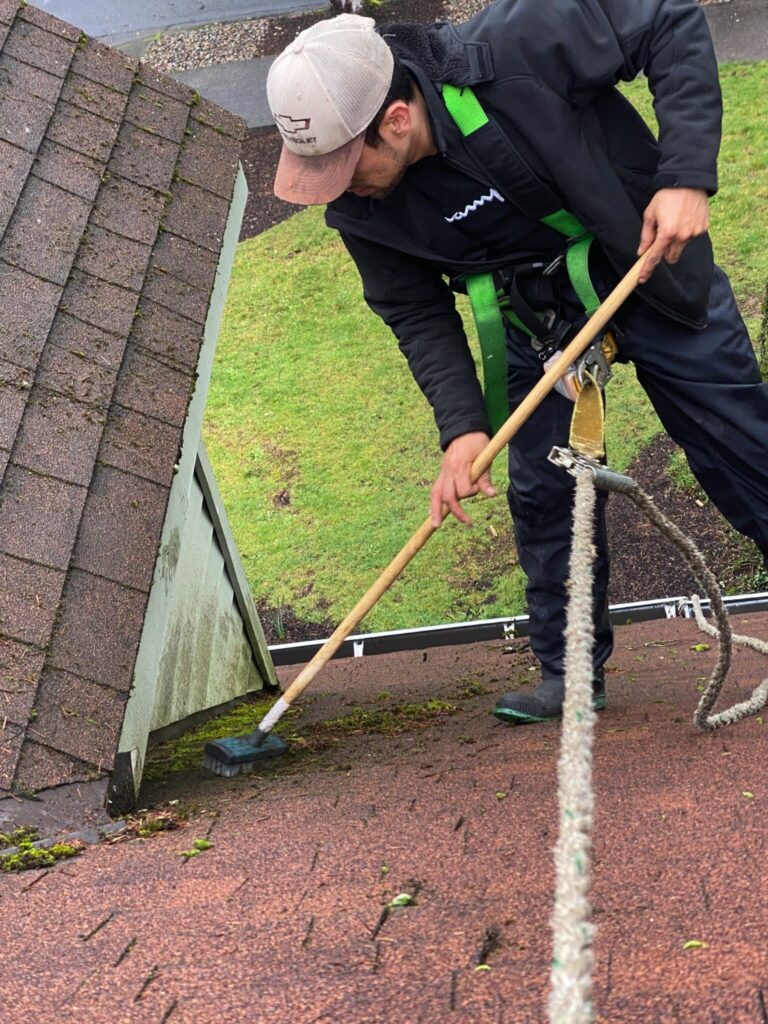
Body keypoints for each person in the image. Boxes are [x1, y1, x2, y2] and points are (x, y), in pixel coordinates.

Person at [265, 3, 768, 724]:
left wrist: (685, 175)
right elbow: (414, 311)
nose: (339, 187)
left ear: (397, 120)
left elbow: (667, 19)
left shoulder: (514, 44)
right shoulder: (359, 209)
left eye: (347, 165)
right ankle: (570, 676)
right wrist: (462, 430)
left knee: (741, 446)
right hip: (534, 319)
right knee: (544, 493)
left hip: (645, 259)